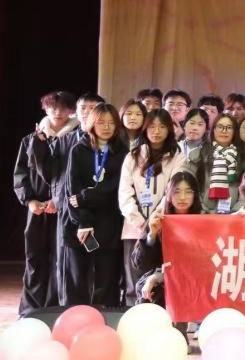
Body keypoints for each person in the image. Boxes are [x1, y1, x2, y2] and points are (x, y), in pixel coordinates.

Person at [60, 103, 128, 306]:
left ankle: (106, 316)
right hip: (80, 223)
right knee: (77, 278)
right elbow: (71, 190)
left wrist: (86, 196)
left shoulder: (122, 152)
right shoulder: (78, 149)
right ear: (91, 123)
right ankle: (75, 316)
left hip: (109, 221)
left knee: (106, 278)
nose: (106, 127)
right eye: (101, 122)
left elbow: (115, 188)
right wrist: (83, 221)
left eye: (111, 123)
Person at [14, 90, 76, 316]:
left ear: (71, 111)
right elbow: (20, 174)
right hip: (38, 208)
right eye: (53, 107)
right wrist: (30, 200)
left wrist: (59, 200)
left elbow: (77, 175)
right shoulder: (31, 139)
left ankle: (54, 311)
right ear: (45, 109)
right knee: (35, 258)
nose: (57, 112)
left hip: (65, 209)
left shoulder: (78, 139)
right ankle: (30, 311)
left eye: (63, 107)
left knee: (61, 261)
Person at [118, 109, 184, 305]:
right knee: (133, 282)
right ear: (145, 129)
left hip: (164, 226)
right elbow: (124, 192)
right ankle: (133, 315)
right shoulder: (132, 157)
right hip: (134, 227)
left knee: (160, 280)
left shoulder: (177, 157)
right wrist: (139, 221)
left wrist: (154, 220)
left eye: (162, 127)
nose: (156, 131)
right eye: (152, 126)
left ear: (169, 130)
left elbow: (173, 191)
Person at [133, 171, 202, 308]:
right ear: (168, 194)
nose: (182, 197)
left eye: (188, 192)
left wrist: (159, 277)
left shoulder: (202, 223)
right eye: (177, 192)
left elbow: (200, 264)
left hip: (191, 280)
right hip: (162, 280)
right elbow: (140, 264)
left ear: (195, 195)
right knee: (150, 291)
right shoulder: (159, 219)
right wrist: (152, 234)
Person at [187, 112, 243, 213]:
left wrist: (236, 212)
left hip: (233, 214)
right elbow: (190, 185)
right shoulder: (198, 154)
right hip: (203, 213)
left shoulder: (242, 157)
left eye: (229, 127)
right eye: (220, 127)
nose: (224, 131)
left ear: (235, 131)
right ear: (214, 129)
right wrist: (203, 210)